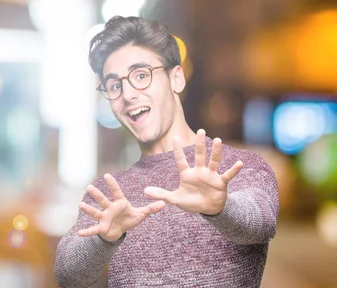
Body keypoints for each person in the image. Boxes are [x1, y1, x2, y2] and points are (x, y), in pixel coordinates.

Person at [54, 16, 279, 287]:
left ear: (176, 79)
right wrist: (104, 238)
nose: (127, 95)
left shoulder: (238, 167)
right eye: (115, 85)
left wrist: (221, 207)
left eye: (140, 75)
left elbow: (261, 224)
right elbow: (68, 276)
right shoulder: (109, 195)